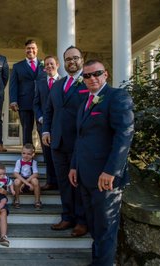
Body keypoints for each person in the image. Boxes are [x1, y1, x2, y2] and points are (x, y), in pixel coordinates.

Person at [68, 59, 134, 265]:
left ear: (105, 74)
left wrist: (112, 171)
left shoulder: (117, 97)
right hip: (86, 176)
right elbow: (80, 139)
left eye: (96, 73)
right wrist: (73, 165)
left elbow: (124, 134)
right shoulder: (84, 104)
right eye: (87, 76)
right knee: (95, 225)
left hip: (105, 178)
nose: (92, 78)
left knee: (106, 227)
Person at [42, 46, 88, 237]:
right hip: (57, 143)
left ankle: (82, 221)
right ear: (64, 62)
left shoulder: (88, 83)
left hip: (79, 143)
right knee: (63, 182)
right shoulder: (58, 85)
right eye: (68, 59)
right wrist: (46, 130)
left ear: (81, 60)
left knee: (79, 183)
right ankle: (67, 216)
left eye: (75, 58)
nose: (72, 62)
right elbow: (49, 110)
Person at [9, 39, 47, 144]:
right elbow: (13, 85)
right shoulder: (17, 66)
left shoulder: (44, 65)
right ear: (25, 50)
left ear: (37, 50)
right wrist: (13, 100)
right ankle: (28, 155)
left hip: (41, 102)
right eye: (28, 48)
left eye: (33, 48)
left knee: (43, 128)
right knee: (26, 129)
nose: (31, 50)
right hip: (24, 102)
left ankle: (46, 153)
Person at [33, 55, 59, 191]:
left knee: (60, 153)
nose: (49, 66)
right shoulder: (40, 83)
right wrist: (40, 117)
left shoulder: (63, 82)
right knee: (47, 154)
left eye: (51, 64)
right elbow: (36, 103)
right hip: (44, 125)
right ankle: (50, 181)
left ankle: (62, 181)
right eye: (46, 64)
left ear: (57, 65)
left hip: (60, 125)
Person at [12, 143, 41, 210]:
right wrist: (26, 183)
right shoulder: (18, 162)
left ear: (33, 154)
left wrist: (27, 182)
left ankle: (37, 201)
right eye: (24, 153)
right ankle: (16, 200)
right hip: (21, 180)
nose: (25, 156)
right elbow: (15, 174)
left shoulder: (34, 162)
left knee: (35, 180)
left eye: (28, 154)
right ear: (21, 153)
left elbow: (35, 174)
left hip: (29, 180)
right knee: (16, 181)